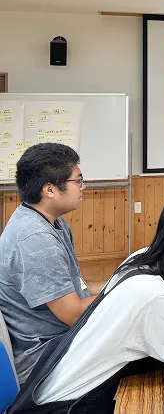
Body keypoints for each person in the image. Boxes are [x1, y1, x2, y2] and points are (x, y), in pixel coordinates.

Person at [20, 185, 164, 412]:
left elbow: (153, 328)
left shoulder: (142, 258)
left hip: (62, 391)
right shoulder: (153, 294)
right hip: (68, 407)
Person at [0, 143, 99, 384]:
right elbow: (74, 314)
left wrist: (121, 281)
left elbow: (79, 287)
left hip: (61, 340)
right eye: (78, 181)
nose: (83, 187)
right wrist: (126, 295)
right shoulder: (35, 238)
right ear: (50, 189)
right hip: (46, 358)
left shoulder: (50, 221)